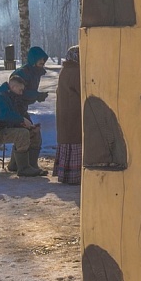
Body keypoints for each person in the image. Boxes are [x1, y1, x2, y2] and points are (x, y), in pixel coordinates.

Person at [0, 72, 46, 176]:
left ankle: (28, 165)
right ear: (13, 87)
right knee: (22, 134)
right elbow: (4, 115)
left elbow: (21, 113)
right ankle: (24, 168)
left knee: (34, 133)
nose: (21, 93)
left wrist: (30, 125)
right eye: (20, 90)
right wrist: (21, 120)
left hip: (5, 129)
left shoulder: (13, 98)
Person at [52, 45, 82, 184]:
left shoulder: (65, 69)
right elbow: (82, 90)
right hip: (73, 112)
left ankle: (66, 174)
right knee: (74, 140)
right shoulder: (76, 71)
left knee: (67, 140)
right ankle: (74, 175)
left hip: (65, 112)